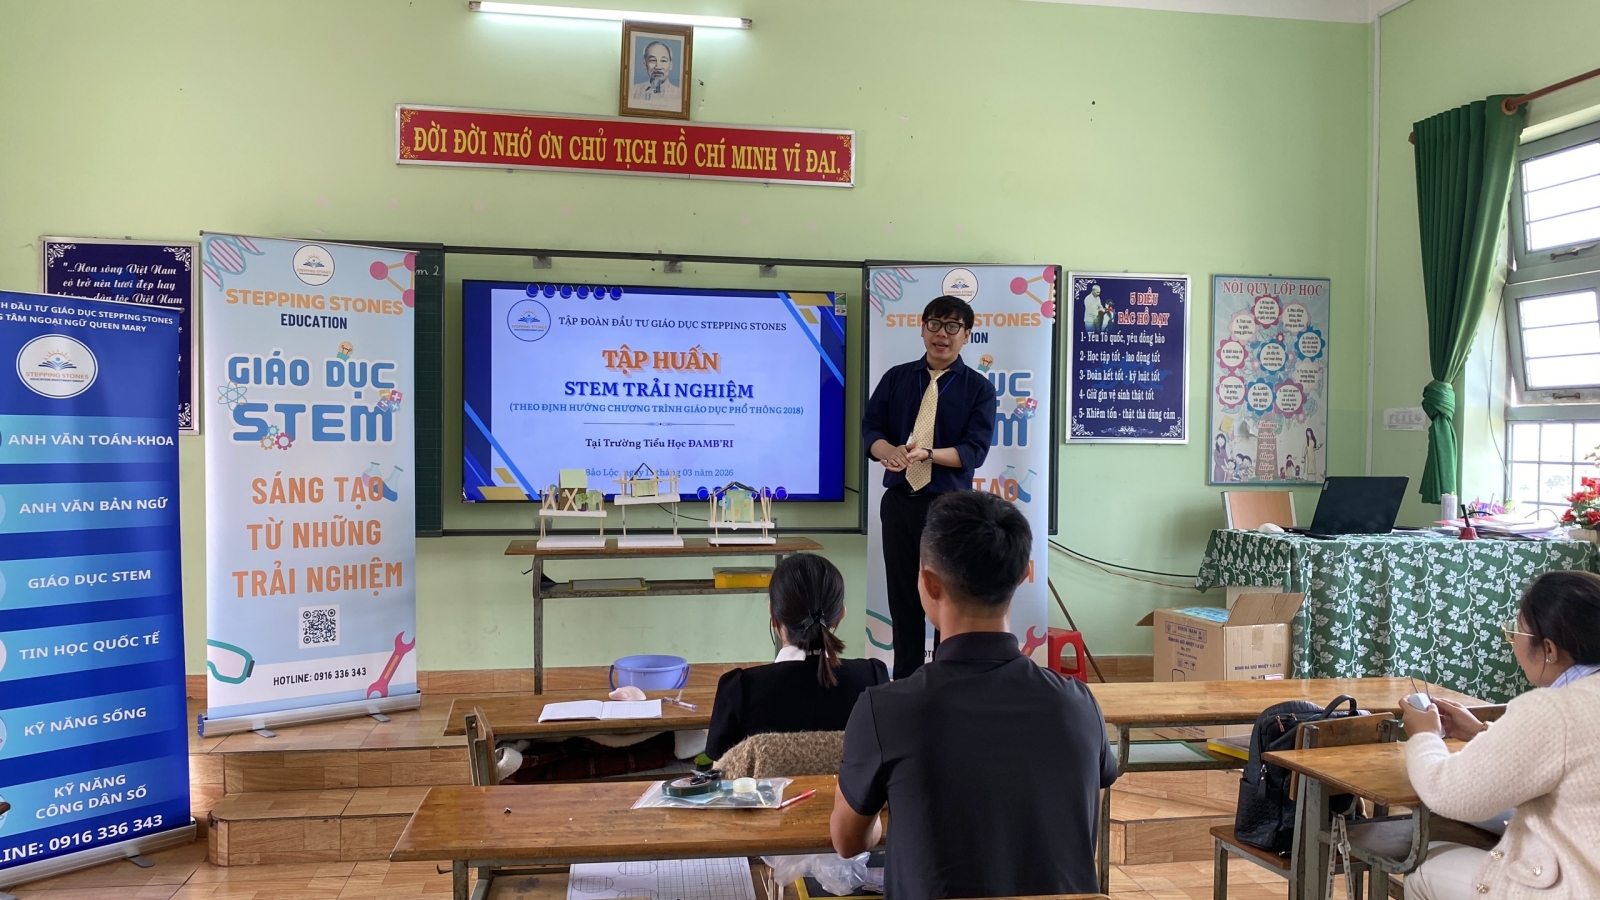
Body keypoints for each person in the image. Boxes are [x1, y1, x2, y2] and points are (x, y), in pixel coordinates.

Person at [831, 491, 1117, 900]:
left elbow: (847, 842)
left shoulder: (885, 710)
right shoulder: (1080, 705)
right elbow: (1082, 827)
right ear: (1023, 575)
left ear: (928, 583)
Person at [1400, 570, 1600, 899]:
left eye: (1516, 631)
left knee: (1424, 865)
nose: (1513, 642)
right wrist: (1482, 731)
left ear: (1548, 649)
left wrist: (1424, 736)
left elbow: (1447, 792)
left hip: (1580, 887)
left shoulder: (1555, 709)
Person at [862, 295, 996, 678]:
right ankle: (906, 684)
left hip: (947, 510)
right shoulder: (897, 378)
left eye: (952, 327)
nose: (942, 334)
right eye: (934, 324)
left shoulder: (979, 389)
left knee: (947, 600)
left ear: (966, 335)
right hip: (899, 503)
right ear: (922, 329)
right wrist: (889, 451)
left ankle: (945, 681)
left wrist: (929, 455)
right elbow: (871, 430)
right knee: (904, 600)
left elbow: (974, 451)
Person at [704, 553, 888, 760]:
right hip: (847, 784)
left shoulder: (741, 689)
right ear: (840, 617)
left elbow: (721, 767)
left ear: (773, 616)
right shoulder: (873, 680)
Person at [628, 40, 682, 111]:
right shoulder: (633, 91)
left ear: (671, 65)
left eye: (663, 60)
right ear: (644, 63)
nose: (658, 66)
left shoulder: (680, 95)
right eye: (653, 60)